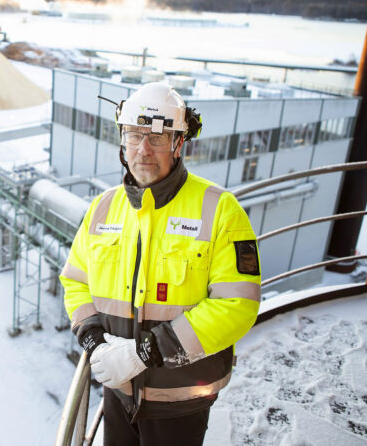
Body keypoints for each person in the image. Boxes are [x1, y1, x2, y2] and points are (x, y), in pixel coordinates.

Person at [60, 82, 262, 445]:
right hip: (118, 392)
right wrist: (94, 341)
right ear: (122, 140)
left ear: (178, 144)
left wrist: (147, 350)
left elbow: (238, 305)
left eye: (157, 137)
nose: (143, 150)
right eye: (134, 136)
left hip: (181, 401)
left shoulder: (219, 210)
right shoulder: (103, 208)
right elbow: (76, 281)